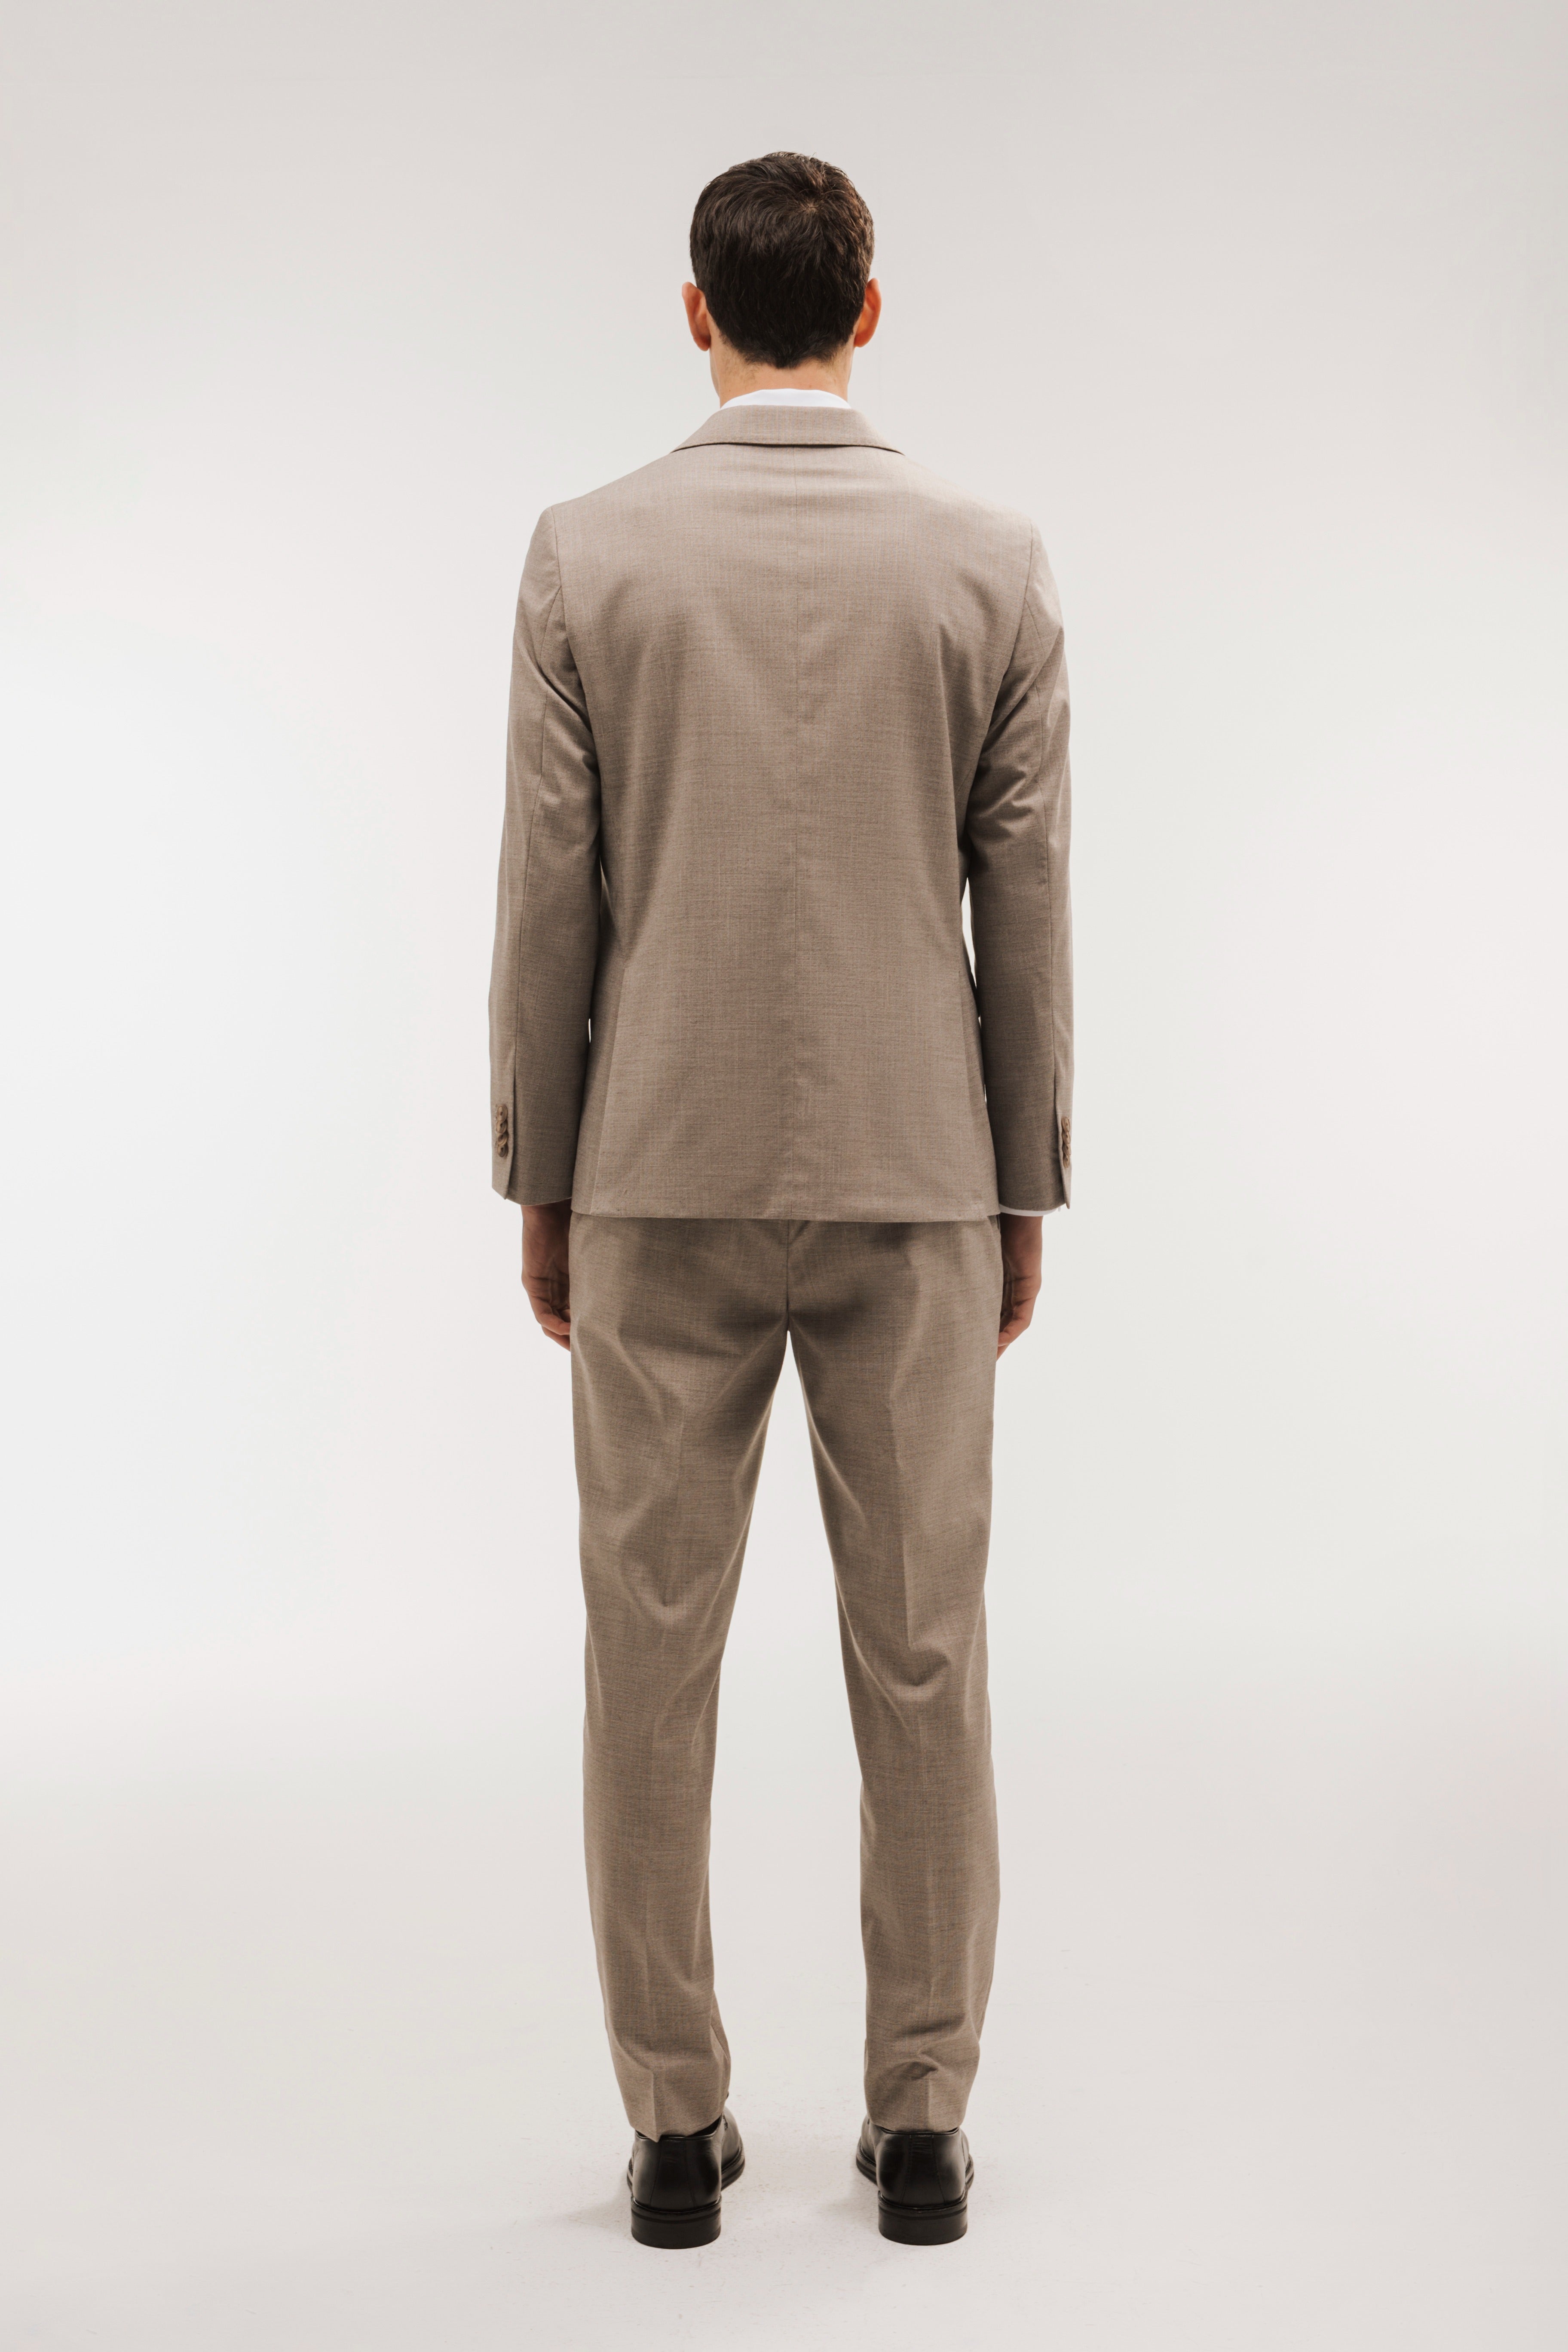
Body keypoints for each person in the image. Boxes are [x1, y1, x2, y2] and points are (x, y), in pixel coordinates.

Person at [488, 150, 1072, 2249]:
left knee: (647, 1660)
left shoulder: (590, 555)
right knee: (925, 1652)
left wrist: (542, 1176)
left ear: (696, 312)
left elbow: (549, 900)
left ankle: (672, 2130)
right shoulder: (988, 562)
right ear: (871, 309)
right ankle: (920, 2130)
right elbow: (1026, 901)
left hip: (655, 1171)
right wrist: (1023, 1185)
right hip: (920, 1178)